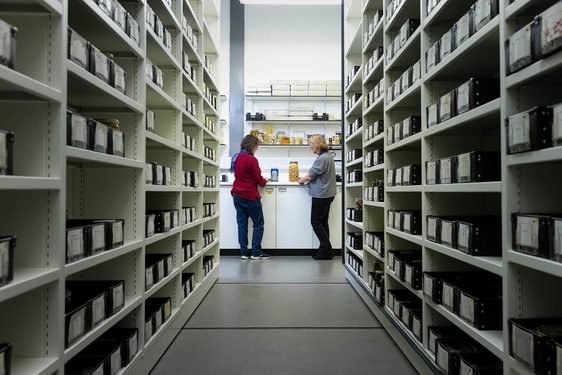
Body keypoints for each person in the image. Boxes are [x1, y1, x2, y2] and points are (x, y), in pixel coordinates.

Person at [231, 135, 271, 260]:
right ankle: (255, 253)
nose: (256, 149)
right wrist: (265, 182)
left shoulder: (236, 157)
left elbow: (242, 175)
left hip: (237, 195)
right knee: (258, 224)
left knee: (242, 225)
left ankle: (244, 253)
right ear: (252, 146)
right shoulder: (251, 159)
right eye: (256, 147)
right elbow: (257, 178)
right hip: (249, 195)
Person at [298, 135, 337, 260]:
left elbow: (310, 176)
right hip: (328, 194)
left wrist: (300, 181)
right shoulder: (328, 156)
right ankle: (324, 251)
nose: (310, 148)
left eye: (311, 145)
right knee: (323, 223)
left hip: (321, 195)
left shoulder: (322, 158)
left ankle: (328, 250)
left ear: (317, 145)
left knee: (315, 222)